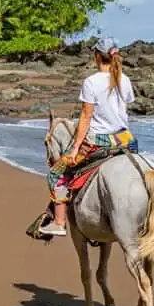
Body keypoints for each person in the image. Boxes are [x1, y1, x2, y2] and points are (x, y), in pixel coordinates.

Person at [37, 37, 137, 238]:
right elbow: (124, 107)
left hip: (99, 141)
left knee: (56, 174)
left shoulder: (91, 82)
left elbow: (85, 116)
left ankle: (59, 222)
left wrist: (74, 149)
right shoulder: (124, 79)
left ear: (97, 56)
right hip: (126, 140)